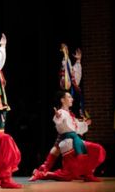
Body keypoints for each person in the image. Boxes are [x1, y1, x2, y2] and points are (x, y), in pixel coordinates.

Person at [31, 43, 83, 178]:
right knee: (59, 145)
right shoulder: (64, 86)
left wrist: (77, 61)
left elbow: (75, 77)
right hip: (64, 117)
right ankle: (44, 170)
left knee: (59, 147)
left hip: (71, 117)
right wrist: (65, 58)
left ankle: (45, 170)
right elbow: (68, 79)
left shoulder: (72, 87)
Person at [29, 91, 105, 182]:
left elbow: (76, 127)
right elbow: (59, 120)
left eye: (71, 97)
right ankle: (42, 174)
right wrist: (58, 116)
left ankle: (88, 173)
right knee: (67, 176)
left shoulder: (70, 114)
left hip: (77, 142)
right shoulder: (61, 112)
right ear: (62, 100)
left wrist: (85, 124)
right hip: (68, 144)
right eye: (69, 97)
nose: (72, 99)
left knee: (98, 149)